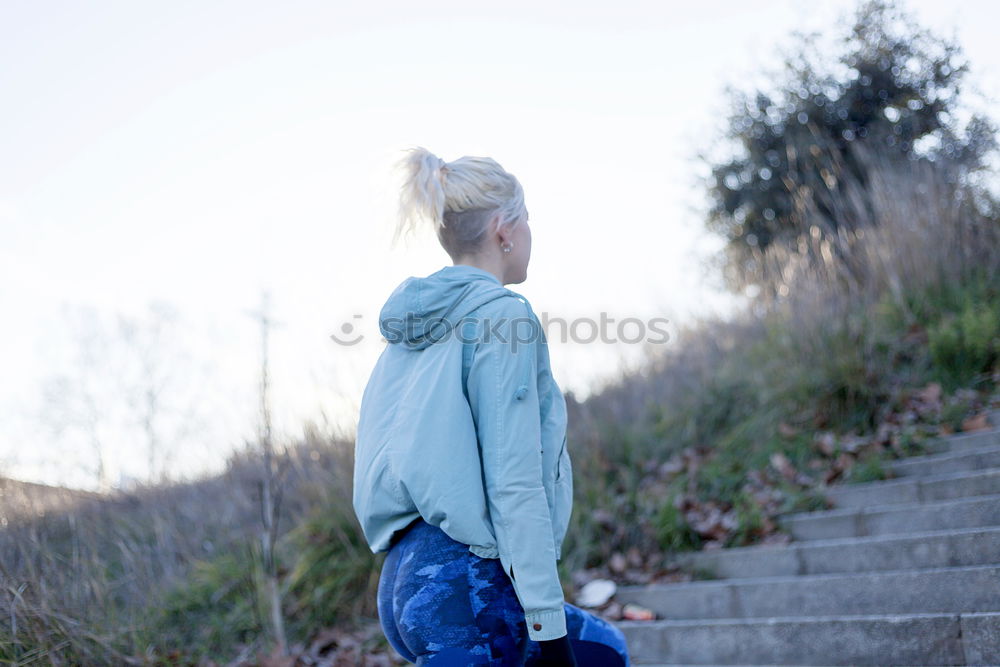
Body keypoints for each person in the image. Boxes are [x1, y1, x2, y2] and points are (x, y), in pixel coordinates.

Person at [353, 146, 630, 666]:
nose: (530, 234)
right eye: (527, 221)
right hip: (465, 586)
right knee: (605, 654)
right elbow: (513, 479)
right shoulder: (505, 317)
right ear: (505, 229)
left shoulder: (407, 333)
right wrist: (548, 628)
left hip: (401, 587)